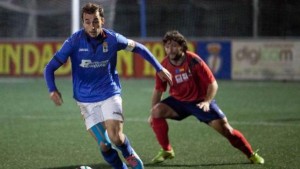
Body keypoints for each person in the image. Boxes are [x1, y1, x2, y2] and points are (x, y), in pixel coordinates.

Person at [44, 3, 172, 169]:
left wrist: (159, 67)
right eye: (87, 21)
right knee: (104, 144)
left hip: (109, 94)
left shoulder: (113, 39)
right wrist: (52, 89)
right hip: (85, 101)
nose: (92, 26)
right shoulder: (74, 42)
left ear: (102, 20)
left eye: (95, 21)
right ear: (83, 23)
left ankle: (129, 153)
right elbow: (50, 68)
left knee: (116, 137)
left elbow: (139, 48)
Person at [148, 30, 264, 164]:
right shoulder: (163, 66)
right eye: (167, 46)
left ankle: (250, 154)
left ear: (181, 46)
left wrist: (207, 101)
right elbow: (158, 90)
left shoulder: (194, 61)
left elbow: (213, 84)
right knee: (157, 112)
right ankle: (167, 150)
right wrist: (152, 112)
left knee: (227, 130)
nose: (170, 49)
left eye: (174, 45)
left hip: (200, 102)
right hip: (179, 102)